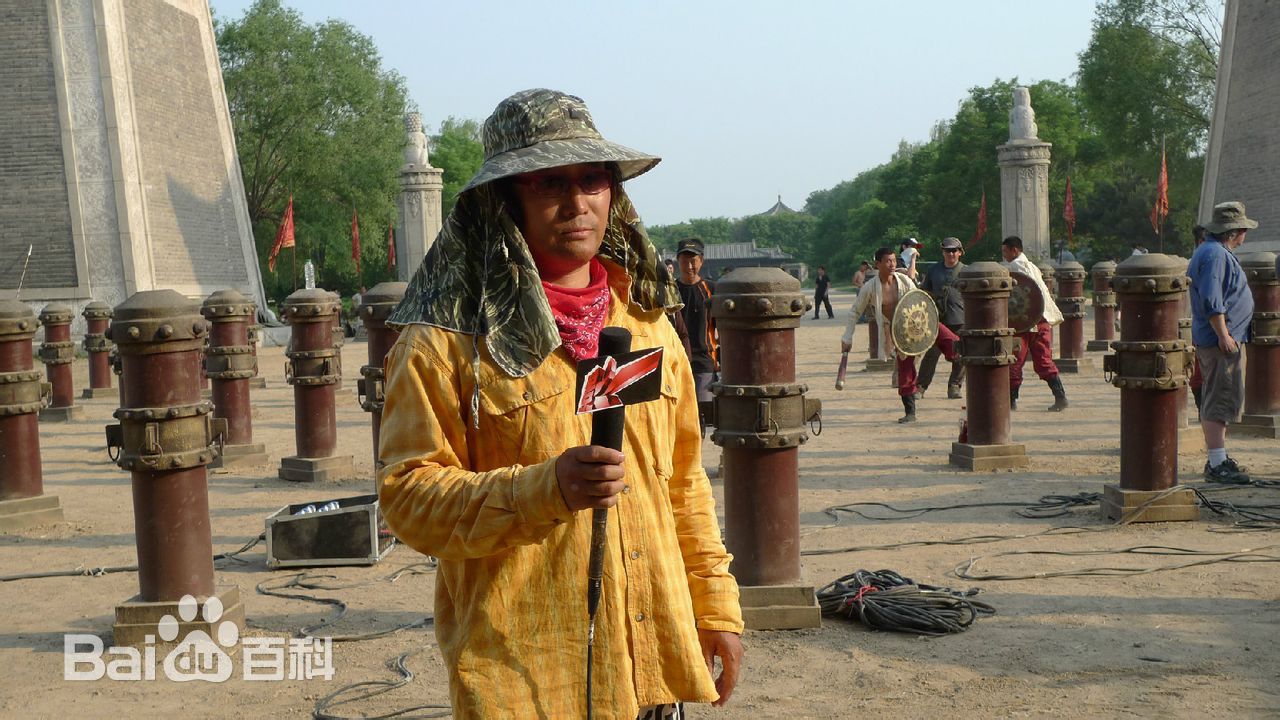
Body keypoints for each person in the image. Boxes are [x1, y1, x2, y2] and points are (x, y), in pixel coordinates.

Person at [377, 88, 744, 718]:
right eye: (549, 183)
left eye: (592, 180)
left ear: (613, 192)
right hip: (526, 680)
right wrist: (543, 489)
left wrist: (714, 605)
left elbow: (682, 481)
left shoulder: (649, 323)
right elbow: (408, 498)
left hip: (650, 667)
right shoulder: (447, 342)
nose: (576, 203)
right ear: (507, 200)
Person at [841, 247, 959, 423]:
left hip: (919, 321)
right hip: (901, 333)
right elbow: (854, 313)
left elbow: (918, 299)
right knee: (906, 371)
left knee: (952, 340)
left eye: (894, 261)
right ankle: (910, 411)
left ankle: (965, 365)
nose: (892, 264)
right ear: (878, 264)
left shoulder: (903, 280)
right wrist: (847, 338)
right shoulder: (870, 288)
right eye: (888, 261)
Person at [1188, 202, 1257, 483]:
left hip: (1219, 338)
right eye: (1243, 230)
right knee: (1219, 399)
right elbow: (1212, 299)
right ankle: (1217, 464)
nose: (1244, 236)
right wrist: (1223, 335)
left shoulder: (1211, 251)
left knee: (1220, 397)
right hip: (1220, 341)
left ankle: (1219, 457)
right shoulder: (1215, 254)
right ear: (1235, 231)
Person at [1000, 236, 1069, 411]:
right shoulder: (1033, 267)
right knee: (1044, 361)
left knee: (1015, 362)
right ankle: (1060, 398)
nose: (1004, 254)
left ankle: (1011, 402)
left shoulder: (1015, 267)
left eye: (1005, 251)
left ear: (1014, 250)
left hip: (1025, 323)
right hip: (1042, 320)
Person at [675, 237, 719, 429]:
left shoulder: (712, 289)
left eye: (693, 260)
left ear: (701, 261)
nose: (689, 265)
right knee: (678, 414)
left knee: (700, 415)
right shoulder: (671, 290)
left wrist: (721, 359)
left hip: (703, 360)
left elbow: (721, 327)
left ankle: (696, 456)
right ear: (678, 261)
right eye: (685, 260)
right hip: (675, 360)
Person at [917, 237, 966, 399]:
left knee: (960, 354)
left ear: (960, 253)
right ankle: (921, 386)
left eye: (954, 251)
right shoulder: (934, 271)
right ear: (943, 252)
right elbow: (925, 293)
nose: (951, 254)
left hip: (960, 319)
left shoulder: (967, 272)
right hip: (938, 320)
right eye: (947, 251)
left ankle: (954, 385)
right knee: (931, 354)